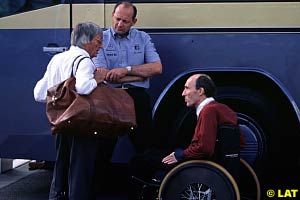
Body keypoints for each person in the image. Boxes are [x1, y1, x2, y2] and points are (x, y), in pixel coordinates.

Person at [129, 74, 245, 199]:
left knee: (140, 160)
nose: (183, 93)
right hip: (219, 163)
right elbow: (240, 142)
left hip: (202, 163)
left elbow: (205, 148)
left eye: (187, 88)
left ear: (200, 91)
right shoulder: (223, 109)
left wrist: (181, 155)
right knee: (155, 153)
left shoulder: (208, 111)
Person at [34, 22, 108, 200]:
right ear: (86, 41)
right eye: (98, 41)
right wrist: (97, 79)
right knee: (80, 171)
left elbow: (38, 93)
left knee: (61, 166)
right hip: (81, 123)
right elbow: (83, 88)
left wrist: (61, 99)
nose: (101, 46)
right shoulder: (84, 61)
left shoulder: (57, 59)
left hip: (61, 122)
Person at [93, 1, 162, 152]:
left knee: (145, 146)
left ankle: (142, 175)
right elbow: (101, 74)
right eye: (117, 19)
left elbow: (157, 68)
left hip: (137, 98)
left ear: (134, 22)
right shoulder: (100, 39)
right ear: (112, 16)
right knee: (103, 148)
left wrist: (125, 70)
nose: (120, 24)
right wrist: (139, 76)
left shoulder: (143, 38)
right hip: (109, 97)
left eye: (125, 21)